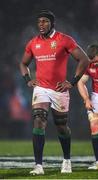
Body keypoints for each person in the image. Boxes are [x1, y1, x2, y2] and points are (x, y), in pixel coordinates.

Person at [19, 10, 89, 175]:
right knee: (38, 120)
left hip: (59, 89)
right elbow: (23, 63)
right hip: (41, 88)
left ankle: (66, 160)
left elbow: (84, 59)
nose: (41, 25)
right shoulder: (33, 43)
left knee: (61, 126)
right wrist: (28, 79)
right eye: (39, 22)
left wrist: (72, 82)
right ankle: (38, 165)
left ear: (52, 23)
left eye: (44, 21)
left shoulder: (64, 40)